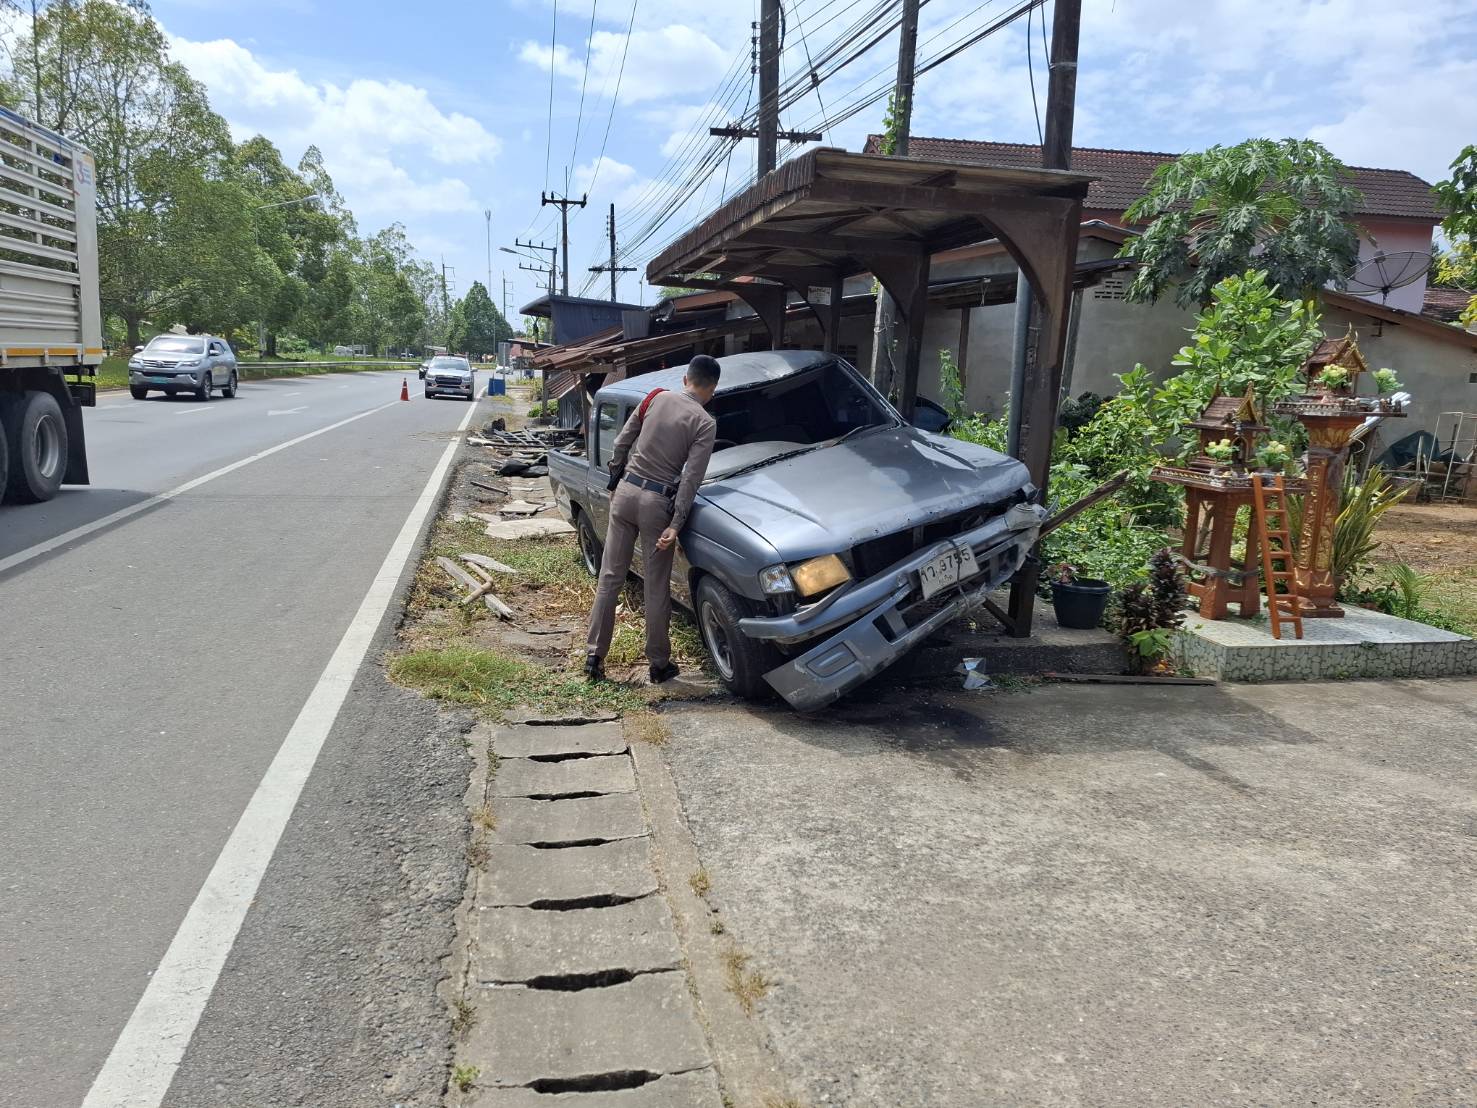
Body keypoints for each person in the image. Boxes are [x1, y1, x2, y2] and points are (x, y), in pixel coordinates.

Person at [585, 354, 721, 684]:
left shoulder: (655, 397)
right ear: (712, 389)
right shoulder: (705, 423)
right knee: (656, 586)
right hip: (656, 504)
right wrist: (676, 523)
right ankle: (659, 665)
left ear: (686, 379)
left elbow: (621, 442)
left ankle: (593, 658)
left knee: (610, 577)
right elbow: (691, 479)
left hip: (626, 493)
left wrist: (615, 482)